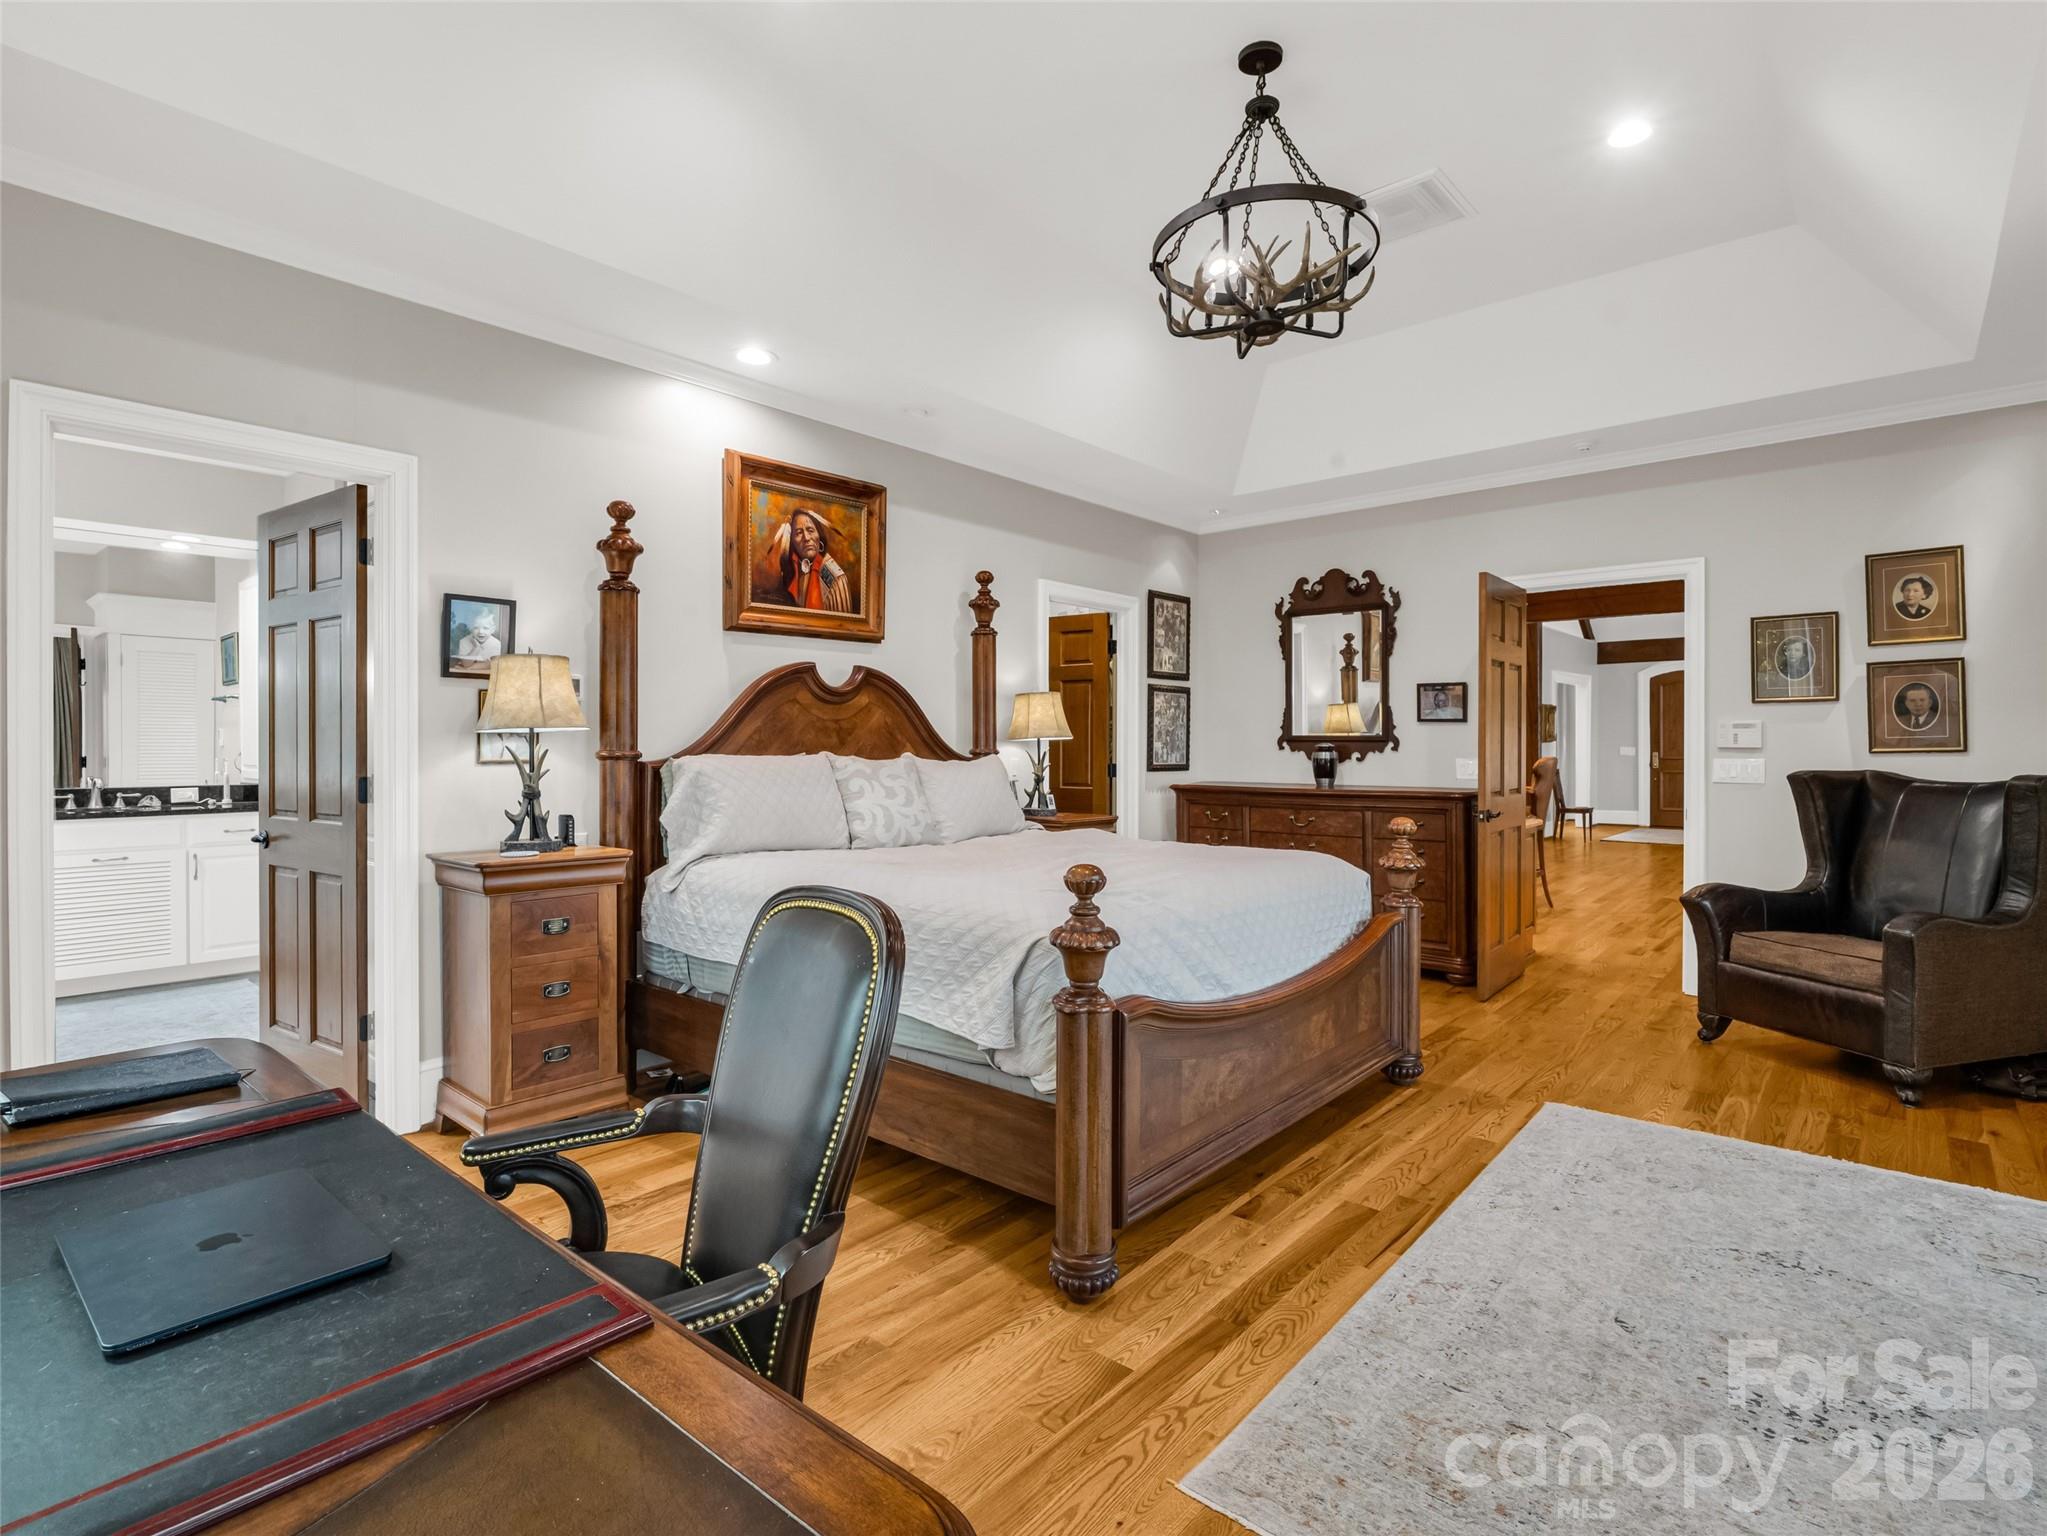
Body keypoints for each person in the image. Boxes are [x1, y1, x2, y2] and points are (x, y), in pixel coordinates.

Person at [771, 508, 852, 613]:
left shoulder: (835, 579)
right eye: (799, 533)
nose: (806, 537)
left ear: (819, 536)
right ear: (792, 543)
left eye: (810, 530)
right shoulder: (792, 573)